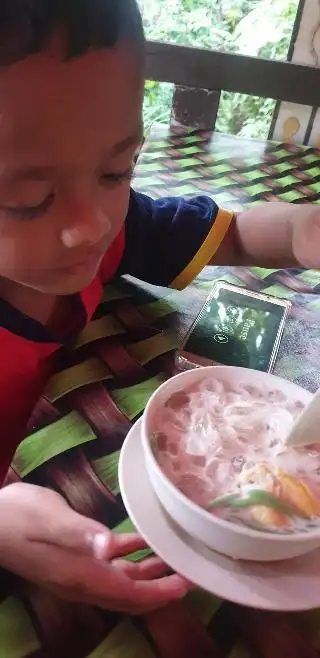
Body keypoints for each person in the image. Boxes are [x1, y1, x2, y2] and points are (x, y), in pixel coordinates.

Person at [0, 0, 319, 623]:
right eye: (29, 200)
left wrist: (307, 228)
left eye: (116, 170)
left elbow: (237, 235)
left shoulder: (116, 233)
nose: (91, 225)